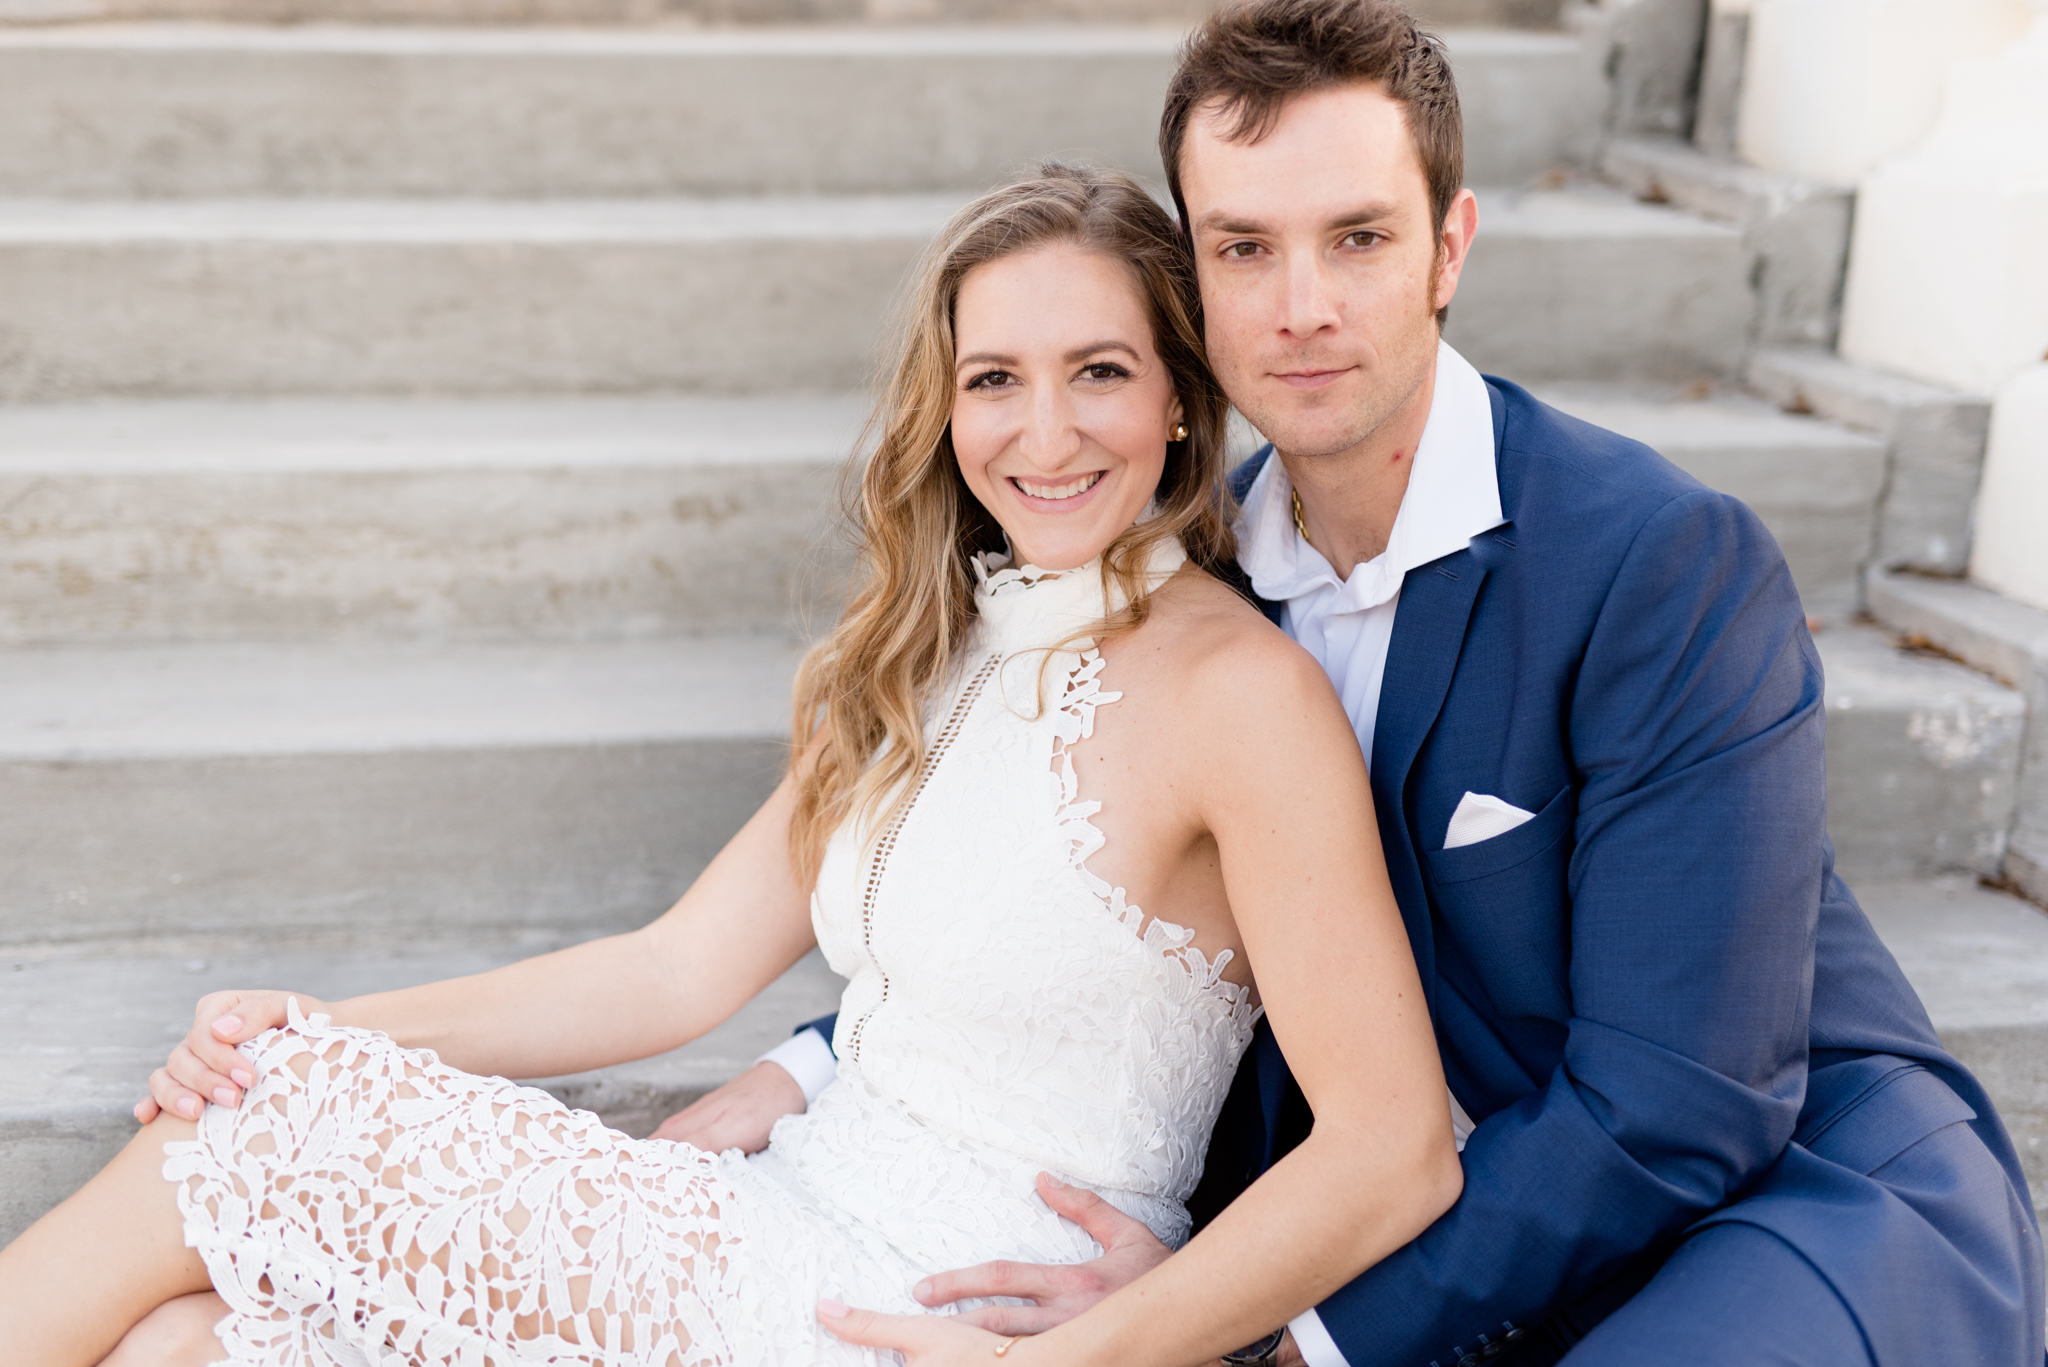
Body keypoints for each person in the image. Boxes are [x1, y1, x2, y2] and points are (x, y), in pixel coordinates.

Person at [675, 2, 2048, 1364]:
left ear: (1450, 246)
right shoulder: (1185, 573)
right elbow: (1045, 893)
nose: (1303, 308)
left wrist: (1289, 1340)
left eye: (1359, 237)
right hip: (1427, 1225)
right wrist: (819, 1062)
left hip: (1772, 1208)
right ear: (1194, 283)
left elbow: (1677, 1108)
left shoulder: (1657, 566)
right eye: (1246, 249)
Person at [0, 164, 1468, 1367]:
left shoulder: (1241, 697)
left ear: (1178, 402)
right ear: (945, 411)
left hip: (929, 1310)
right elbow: (670, 973)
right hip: (788, 1210)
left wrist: (1088, 1360)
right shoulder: (938, 647)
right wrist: (323, 1018)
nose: (1045, 431)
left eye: (1099, 373)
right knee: (194, 1338)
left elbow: (1395, 1148)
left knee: (268, 1120)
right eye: (995, 381)